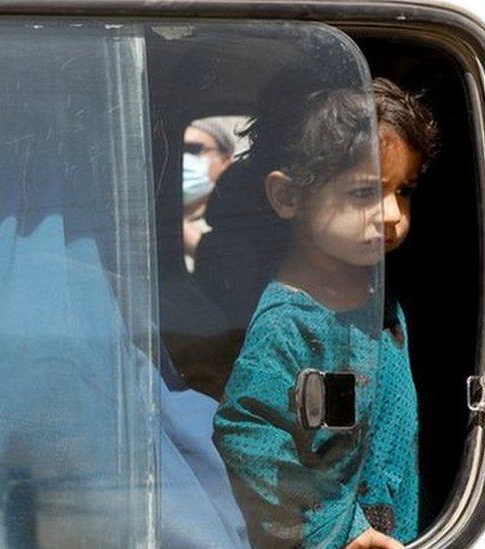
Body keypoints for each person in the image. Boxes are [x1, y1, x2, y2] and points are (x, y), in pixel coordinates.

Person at [213, 79, 436, 549]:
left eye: (405, 191)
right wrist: (339, 529)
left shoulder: (376, 292)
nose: (393, 214)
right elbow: (248, 436)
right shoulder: (287, 323)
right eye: (364, 193)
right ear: (288, 197)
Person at [182, 117, 240, 272]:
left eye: (194, 149)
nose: (183, 158)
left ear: (225, 161)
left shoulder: (236, 225)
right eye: (178, 149)